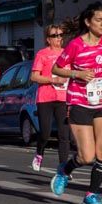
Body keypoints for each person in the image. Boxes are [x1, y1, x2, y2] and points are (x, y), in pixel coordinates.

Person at [51, 3, 102, 204]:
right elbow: (57, 68)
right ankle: (65, 170)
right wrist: (77, 74)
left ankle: (92, 194)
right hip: (79, 102)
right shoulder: (75, 45)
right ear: (88, 22)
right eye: (99, 20)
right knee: (86, 155)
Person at [30, 25, 70, 171]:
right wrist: (54, 80)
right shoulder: (42, 54)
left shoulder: (67, 53)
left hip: (63, 98)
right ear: (48, 39)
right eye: (55, 35)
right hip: (45, 98)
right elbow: (34, 76)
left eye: (60, 35)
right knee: (45, 134)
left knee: (64, 135)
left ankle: (63, 168)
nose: (59, 38)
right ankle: (39, 153)